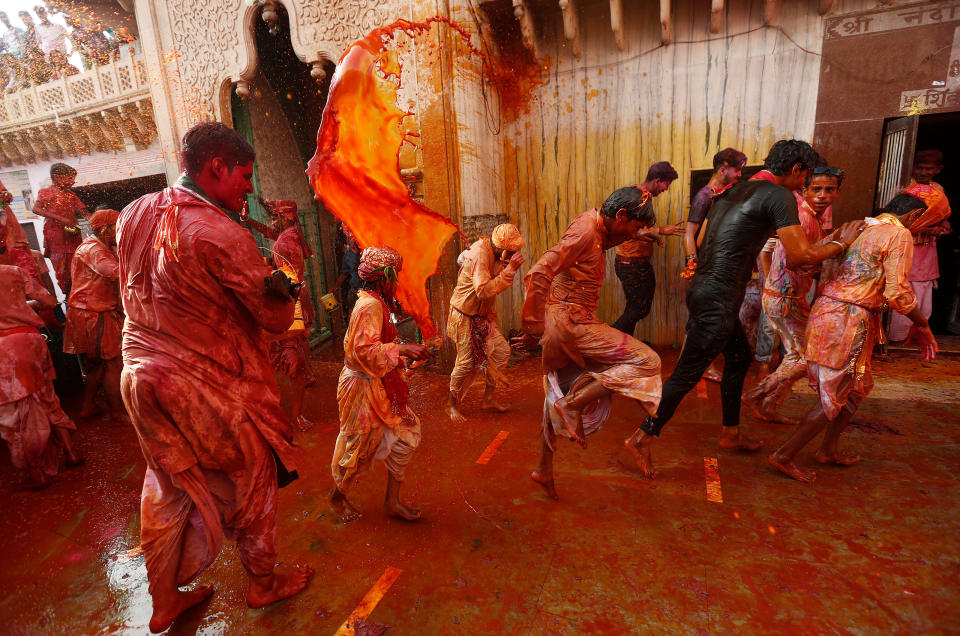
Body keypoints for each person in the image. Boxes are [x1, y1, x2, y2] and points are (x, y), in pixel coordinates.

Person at [117, 122, 313, 633]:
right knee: (253, 477)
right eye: (244, 177)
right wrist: (289, 263)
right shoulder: (220, 234)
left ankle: (165, 600)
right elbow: (273, 317)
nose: (249, 188)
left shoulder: (134, 213)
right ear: (216, 168)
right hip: (201, 385)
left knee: (166, 483)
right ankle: (264, 583)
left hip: (139, 376)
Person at [623, 140, 864, 478]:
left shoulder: (735, 190)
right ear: (797, 170)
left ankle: (731, 433)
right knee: (685, 375)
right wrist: (842, 242)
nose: (807, 185)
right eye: (807, 177)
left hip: (706, 292)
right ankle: (641, 437)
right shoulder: (780, 196)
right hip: (718, 299)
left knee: (738, 358)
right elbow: (799, 255)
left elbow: (705, 239)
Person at [768, 191, 941, 482]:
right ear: (913, 218)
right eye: (924, 225)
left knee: (856, 386)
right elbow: (897, 292)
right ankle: (784, 455)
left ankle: (828, 449)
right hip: (849, 321)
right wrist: (923, 325)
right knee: (834, 393)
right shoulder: (898, 235)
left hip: (827, 313)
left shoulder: (853, 227)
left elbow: (802, 262)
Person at [516, 186, 663, 499]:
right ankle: (573, 405)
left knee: (556, 392)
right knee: (647, 362)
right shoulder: (586, 232)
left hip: (567, 324)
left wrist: (638, 234)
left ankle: (544, 467)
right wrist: (532, 327)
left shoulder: (594, 224)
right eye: (635, 227)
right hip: (570, 323)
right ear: (620, 215)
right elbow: (540, 272)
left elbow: (604, 242)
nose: (633, 235)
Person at [330, 246, 433, 523]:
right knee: (358, 448)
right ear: (384, 279)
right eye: (396, 276)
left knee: (407, 433)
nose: (398, 283)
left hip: (376, 384)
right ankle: (338, 498)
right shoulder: (371, 305)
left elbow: (379, 347)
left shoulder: (377, 302)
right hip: (360, 389)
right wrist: (403, 351)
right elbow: (362, 352)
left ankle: (392, 501)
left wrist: (404, 357)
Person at [743, 166, 842, 424]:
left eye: (828, 190)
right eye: (816, 189)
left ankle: (769, 404)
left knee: (796, 356)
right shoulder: (803, 218)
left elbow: (772, 250)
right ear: (804, 191)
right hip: (785, 299)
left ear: (837, 193)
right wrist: (834, 250)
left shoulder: (811, 217)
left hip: (786, 295)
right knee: (807, 357)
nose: (822, 195)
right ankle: (758, 394)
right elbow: (796, 261)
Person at [0, 239, 82, 490]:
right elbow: (48, 302)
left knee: (15, 411)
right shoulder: (13, 272)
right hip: (30, 341)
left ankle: (37, 472)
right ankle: (70, 453)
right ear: (3, 249)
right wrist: (21, 307)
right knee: (48, 398)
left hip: (3, 351)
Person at [245, 199, 317, 430]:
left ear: (285, 218)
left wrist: (270, 277)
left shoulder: (287, 242)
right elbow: (270, 234)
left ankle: (298, 403)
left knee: (294, 351)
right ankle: (308, 375)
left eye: (275, 217)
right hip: (290, 294)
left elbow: (290, 276)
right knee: (297, 344)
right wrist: (248, 221)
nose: (272, 221)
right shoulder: (288, 236)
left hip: (288, 296)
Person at [445, 223, 524, 423]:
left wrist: (505, 267)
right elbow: (483, 290)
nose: (514, 256)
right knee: (464, 364)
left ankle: (488, 398)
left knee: (501, 352)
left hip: (481, 316)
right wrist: (509, 271)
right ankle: (451, 405)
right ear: (503, 249)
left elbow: (493, 285)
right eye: (512, 252)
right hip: (464, 316)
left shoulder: (495, 254)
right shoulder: (481, 253)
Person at [682, 148, 747, 381]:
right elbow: (689, 234)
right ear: (723, 169)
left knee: (701, 318)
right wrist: (693, 264)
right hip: (703, 264)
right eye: (737, 169)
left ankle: (692, 364)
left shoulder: (723, 193)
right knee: (702, 318)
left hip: (714, 263)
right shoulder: (705, 195)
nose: (740, 174)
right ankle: (695, 366)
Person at [63, 208, 126, 422]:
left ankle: (87, 407)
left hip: (86, 311)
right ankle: (117, 413)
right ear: (106, 230)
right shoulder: (93, 249)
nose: (120, 232)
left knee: (95, 366)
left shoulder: (101, 247)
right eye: (117, 227)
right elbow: (115, 272)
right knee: (113, 364)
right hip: (93, 313)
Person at [611, 162, 684, 335]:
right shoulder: (640, 197)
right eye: (667, 184)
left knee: (635, 308)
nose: (666, 189)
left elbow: (638, 229)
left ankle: (622, 346)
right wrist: (661, 230)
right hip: (631, 263)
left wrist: (655, 237)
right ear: (658, 180)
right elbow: (628, 230)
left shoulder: (640, 195)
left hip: (632, 262)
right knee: (639, 309)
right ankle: (611, 339)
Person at [888, 150, 952, 342]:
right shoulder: (902, 188)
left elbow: (943, 218)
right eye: (920, 167)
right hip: (905, 246)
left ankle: (913, 337)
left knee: (921, 293)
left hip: (926, 251)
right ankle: (897, 339)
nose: (923, 172)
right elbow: (895, 218)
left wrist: (940, 228)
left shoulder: (938, 189)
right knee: (901, 289)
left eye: (929, 168)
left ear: (938, 169)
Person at [33, 163, 88, 295]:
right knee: (63, 273)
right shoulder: (45, 192)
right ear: (57, 177)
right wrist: (61, 219)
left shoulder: (71, 195)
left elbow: (85, 213)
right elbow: (36, 209)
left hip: (73, 236)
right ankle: (69, 299)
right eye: (69, 178)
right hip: (56, 239)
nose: (72, 182)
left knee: (80, 268)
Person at [335, 226, 361, 319]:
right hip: (355, 290)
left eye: (350, 238)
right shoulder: (348, 256)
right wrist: (335, 287)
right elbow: (344, 274)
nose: (348, 240)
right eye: (348, 238)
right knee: (353, 315)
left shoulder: (365, 251)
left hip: (368, 289)